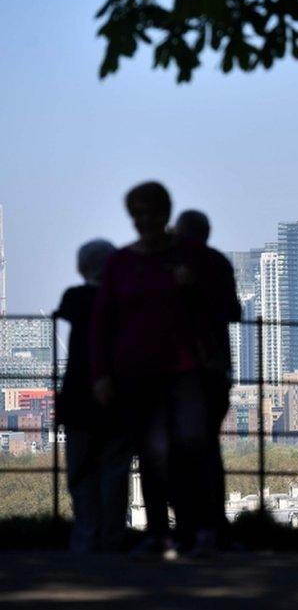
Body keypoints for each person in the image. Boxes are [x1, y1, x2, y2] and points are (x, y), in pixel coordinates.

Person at [90, 182, 219, 559]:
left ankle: (197, 530)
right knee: (154, 454)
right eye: (138, 213)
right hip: (139, 374)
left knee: (192, 446)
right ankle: (163, 533)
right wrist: (101, 374)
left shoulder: (191, 257)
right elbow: (102, 322)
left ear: (166, 213)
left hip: (185, 370)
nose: (145, 220)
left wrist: (192, 289)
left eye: (152, 212)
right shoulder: (121, 263)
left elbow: (221, 305)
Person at [56, 239, 131, 553]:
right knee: (114, 471)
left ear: (81, 267)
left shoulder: (75, 297)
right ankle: (112, 536)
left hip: (78, 401)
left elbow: (66, 311)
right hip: (118, 400)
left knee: (81, 471)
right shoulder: (124, 301)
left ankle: (86, 536)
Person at [173, 210, 241, 546]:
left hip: (179, 370)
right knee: (208, 450)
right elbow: (235, 312)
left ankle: (186, 526)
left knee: (177, 452)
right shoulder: (218, 263)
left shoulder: (172, 263)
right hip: (216, 368)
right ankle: (213, 524)